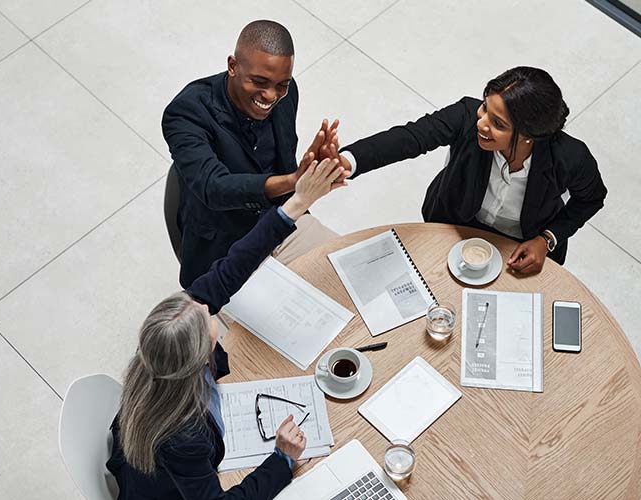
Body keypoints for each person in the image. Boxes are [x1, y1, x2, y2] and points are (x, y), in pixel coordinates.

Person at [107, 159, 346, 499]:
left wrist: (298, 202)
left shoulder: (164, 348)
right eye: (206, 319)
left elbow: (235, 264)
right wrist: (281, 459)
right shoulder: (185, 437)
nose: (206, 305)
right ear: (199, 356)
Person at [325, 66, 607, 273]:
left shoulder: (570, 157)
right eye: (485, 108)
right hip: (456, 223)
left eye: (498, 124)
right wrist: (346, 161)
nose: (481, 123)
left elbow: (591, 199)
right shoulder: (465, 116)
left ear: (529, 136)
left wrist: (547, 239)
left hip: (522, 243)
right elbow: (410, 138)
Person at [163, 19, 344, 288]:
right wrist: (294, 181)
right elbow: (214, 186)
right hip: (224, 249)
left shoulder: (287, 93)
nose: (271, 95)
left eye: (281, 84)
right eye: (259, 82)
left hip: (283, 223)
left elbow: (283, 161)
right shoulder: (187, 112)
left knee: (349, 275)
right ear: (232, 66)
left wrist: (318, 169)